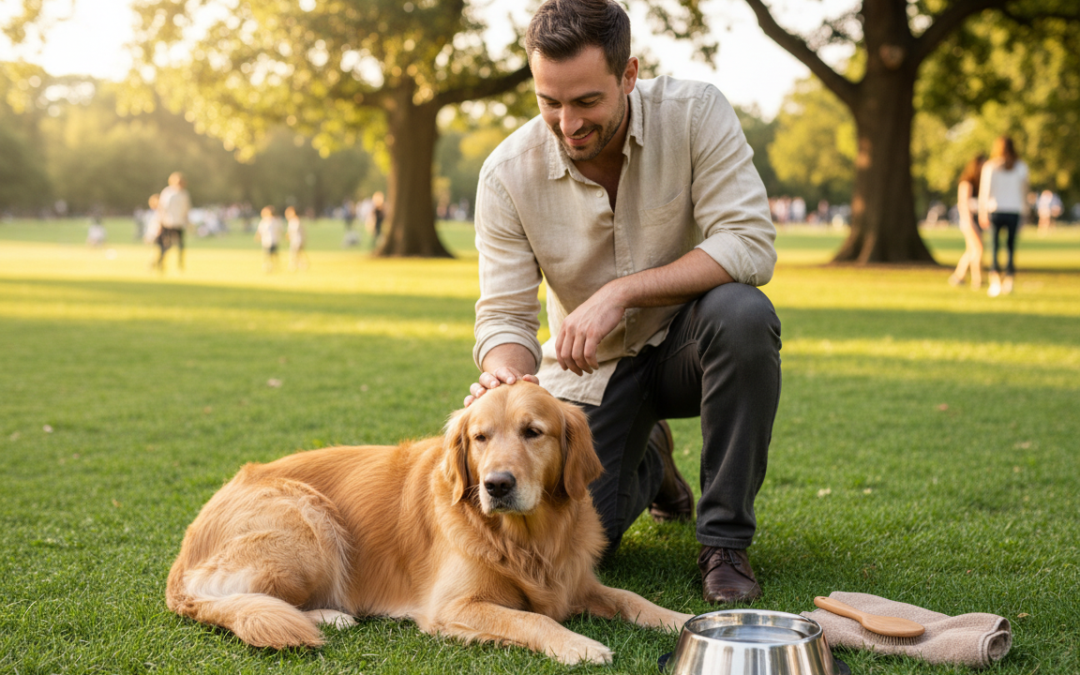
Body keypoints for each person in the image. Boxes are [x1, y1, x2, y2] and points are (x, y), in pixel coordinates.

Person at [465, 0, 780, 605]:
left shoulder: (695, 113)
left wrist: (622, 291)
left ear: (628, 75)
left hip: (694, 341)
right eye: (548, 102)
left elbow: (747, 242)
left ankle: (723, 544)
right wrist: (505, 375)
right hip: (594, 372)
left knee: (744, 315)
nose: (567, 123)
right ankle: (651, 462)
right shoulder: (506, 173)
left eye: (587, 102)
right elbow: (505, 314)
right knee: (590, 535)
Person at [979, 136, 1028, 297]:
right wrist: (1025, 213)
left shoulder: (990, 166)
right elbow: (1024, 192)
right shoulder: (1021, 167)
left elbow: (985, 191)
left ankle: (995, 282)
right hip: (1014, 211)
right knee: (1010, 247)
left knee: (994, 247)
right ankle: (1009, 281)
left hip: (996, 210)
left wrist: (982, 211)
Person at [948, 154, 986, 289]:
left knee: (971, 251)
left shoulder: (981, 184)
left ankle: (958, 276)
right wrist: (970, 222)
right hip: (968, 221)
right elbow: (963, 204)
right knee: (978, 249)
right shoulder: (967, 183)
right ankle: (977, 280)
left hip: (976, 220)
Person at [157, 172, 192, 271]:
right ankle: (160, 262)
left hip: (179, 223)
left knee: (180, 246)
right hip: (168, 223)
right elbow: (162, 208)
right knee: (166, 245)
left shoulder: (184, 194)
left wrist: (188, 223)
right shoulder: (167, 193)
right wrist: (160, 222)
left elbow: (186, 210)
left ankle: (180, 264)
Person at [255, 206, 283, 272]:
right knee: (268, 255)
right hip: (266, 241)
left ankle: (272, 267)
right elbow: (260, 230)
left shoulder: (275, 221)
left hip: (273, 240)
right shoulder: (264, 221)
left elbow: (280, 230)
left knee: (272, 255)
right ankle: (269, 267)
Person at [285, 206, 308, 271]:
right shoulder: (293, 220)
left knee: (295, 254)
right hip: (295, 240)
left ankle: (297, 266)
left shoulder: (295, 220)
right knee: (297, 253)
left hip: (297, 240)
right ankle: (301, 265)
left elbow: (294, 231)